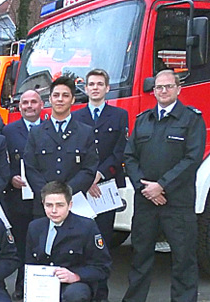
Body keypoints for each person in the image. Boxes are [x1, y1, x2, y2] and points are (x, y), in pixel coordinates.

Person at [123, 70, 205, 302]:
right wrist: (145, 188)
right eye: (159, 87)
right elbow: (129, 157)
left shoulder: (192, 119)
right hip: (146, 202)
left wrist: (162, 186)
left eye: (168, 86)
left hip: (177, 203)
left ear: (178, 89)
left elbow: (192, 159)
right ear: (154, 91)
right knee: (140, 258)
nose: (163, 91)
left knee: (183, 259)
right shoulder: (143, 120)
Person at [72, 69, 128, 302]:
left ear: (107, 88)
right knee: (80, 242)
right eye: (91, 84)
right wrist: (86, 179)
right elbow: (74, 153)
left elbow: (120, 152)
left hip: (106, 188)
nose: (95, 87)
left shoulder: (119, 115)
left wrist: (99, 174)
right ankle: (82, 290)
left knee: (101, 242)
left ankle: (101, 294)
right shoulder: (76, 117)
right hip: (83, 191)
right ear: (85, 89)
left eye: (100, 84)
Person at [23, 76, 98, 217]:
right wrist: (48, 195)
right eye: (56, 95)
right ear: (49, 99)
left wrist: (66, 193)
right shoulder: (36, 132)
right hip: (43, 205)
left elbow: (89, 169)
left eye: (65, 95)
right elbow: (31, 168)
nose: (60, 99)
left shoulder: (85, 132)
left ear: (73, 100)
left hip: (75, 203)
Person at [25, 181, 112, 302]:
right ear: (43, 204)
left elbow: (103, 267)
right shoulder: (35, 227)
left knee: (74, 295)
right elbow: (29, 264)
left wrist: (76, 275)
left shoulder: (86, 227)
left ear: (70, 205)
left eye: (60, 205)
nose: (54, 210)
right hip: (44, 284)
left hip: (75, 283)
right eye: (49, 205)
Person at [1, 89, 44, 300]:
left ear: (41, 105)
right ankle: (20, 285)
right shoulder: (9, 131)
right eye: (24, 102)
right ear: (19, 107)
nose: (28, 106)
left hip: (44, 199)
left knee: (40, 243)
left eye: (33, 102)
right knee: (20, 244)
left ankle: (40, 288)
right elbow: (1, 162)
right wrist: (11, 178)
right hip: (18, 200)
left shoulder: (48, 128)